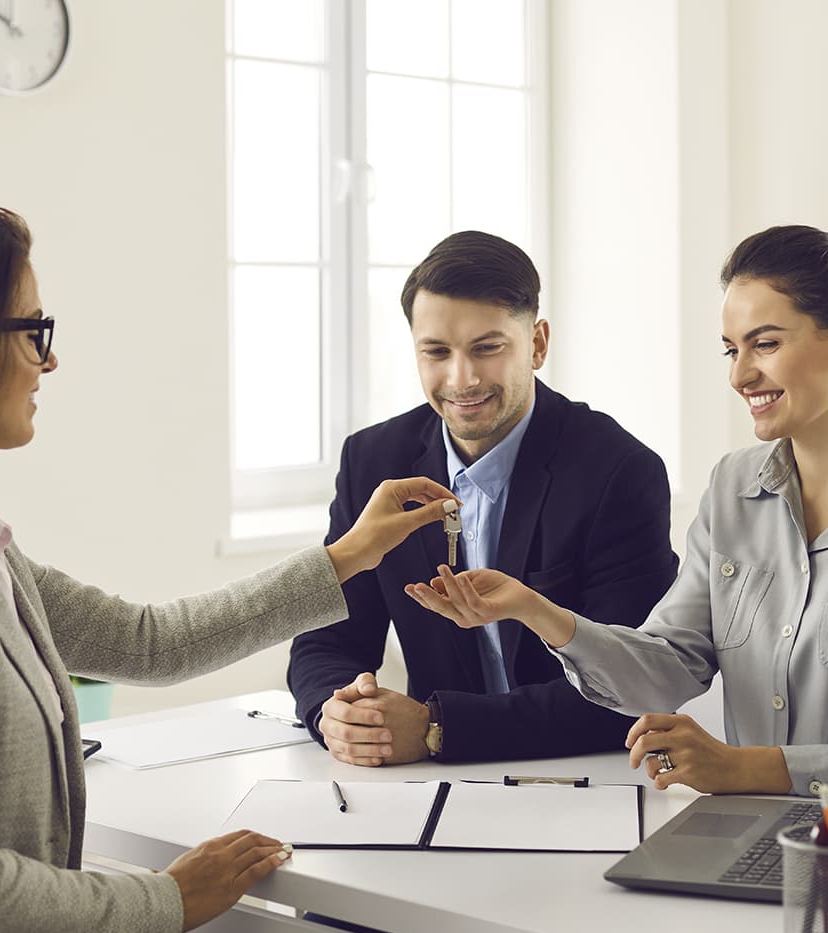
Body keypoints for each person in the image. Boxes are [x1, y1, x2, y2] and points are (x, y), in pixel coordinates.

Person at [0, 205, 458, 933]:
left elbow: (151, 645)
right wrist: (168, 900)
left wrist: (347, 555)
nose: (50, 363)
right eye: (33, 333)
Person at [409, 224, 828, 800]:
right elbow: (666, 665)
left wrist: (744, 769)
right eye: (733, 350)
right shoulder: (733, 488)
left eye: (766, 344)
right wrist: (535, 611)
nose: (740, 375)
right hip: (747, 835)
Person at [288, 230, 679, 765]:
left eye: (487, 348)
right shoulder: (373, 461)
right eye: (437, 352)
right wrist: (336, 715)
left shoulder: (619, 471)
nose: (461, 379)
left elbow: (630, 692)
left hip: (581, 780)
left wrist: (436, 729)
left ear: (537, 344)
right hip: (424, 786)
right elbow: (325, 642)